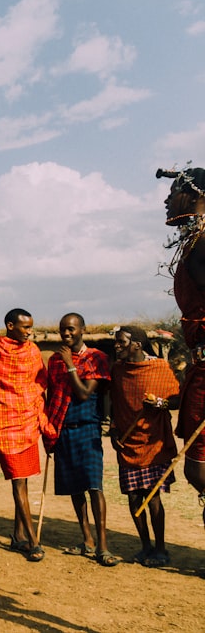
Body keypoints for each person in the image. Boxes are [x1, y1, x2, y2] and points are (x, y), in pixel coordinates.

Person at [40, 313, 118, 566]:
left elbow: (84, 393)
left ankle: (103, 546)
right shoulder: (53, 361)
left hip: (88, 427)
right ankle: (87, 539)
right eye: (63, 329)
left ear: (82, 329)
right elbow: (51, 395)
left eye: (72, 329)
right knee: (75, 488)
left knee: (94, 486)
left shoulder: (96, 358)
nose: (66, 333)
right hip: (64, 428)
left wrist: (69, 364)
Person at [0, 308, 48, 562]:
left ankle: (19, 537)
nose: (29, 332)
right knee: (18, 482)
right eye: (25, 327)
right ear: (10, 325)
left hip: (26, 421)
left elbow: (38, 383)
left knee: (23, 481)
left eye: (30, 327)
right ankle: (33, 542)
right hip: (2, 423)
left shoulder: (33, 351)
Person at [108, 325, 180, 567]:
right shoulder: (118, 370)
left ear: (137, 345)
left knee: (153, 497)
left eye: (122, 342)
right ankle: (145, 546)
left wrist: (159, 403)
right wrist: (113, 431)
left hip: (152, 442)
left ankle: (160, 549)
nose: (117, 346)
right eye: (116, 342)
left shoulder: (158, 367)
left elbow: (176, 399)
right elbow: (115, 402)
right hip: (127, 442)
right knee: (133, 497)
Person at [161, 167, 205, 546]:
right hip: (201, 365)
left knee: (200, 467)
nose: (166, 201)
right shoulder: (196, 243)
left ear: (194, 196)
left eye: (174, 193)